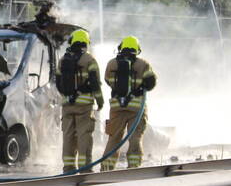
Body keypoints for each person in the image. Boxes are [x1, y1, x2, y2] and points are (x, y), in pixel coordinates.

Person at [100, 36, 156, 171]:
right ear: (137, 49)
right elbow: (151, 83)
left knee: (114, 138)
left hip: (116, 107)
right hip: (136, 108)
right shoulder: (143, 64)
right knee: (135, 138)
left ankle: (106, 168)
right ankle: (133, 167)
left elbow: (107, 80)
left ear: (121, 47)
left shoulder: (111, 63)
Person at [56, 29, 104, 172]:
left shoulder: (62, 60)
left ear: (72, 42)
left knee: (68, 136)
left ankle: (69, 167)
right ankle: (85, 168)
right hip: (84, 105)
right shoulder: (90, 60)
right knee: (84, 135)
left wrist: (67, 96)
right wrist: (100, 101)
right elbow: (95, 84)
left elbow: (58, 84)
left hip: (67, 105)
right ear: (86, 43)